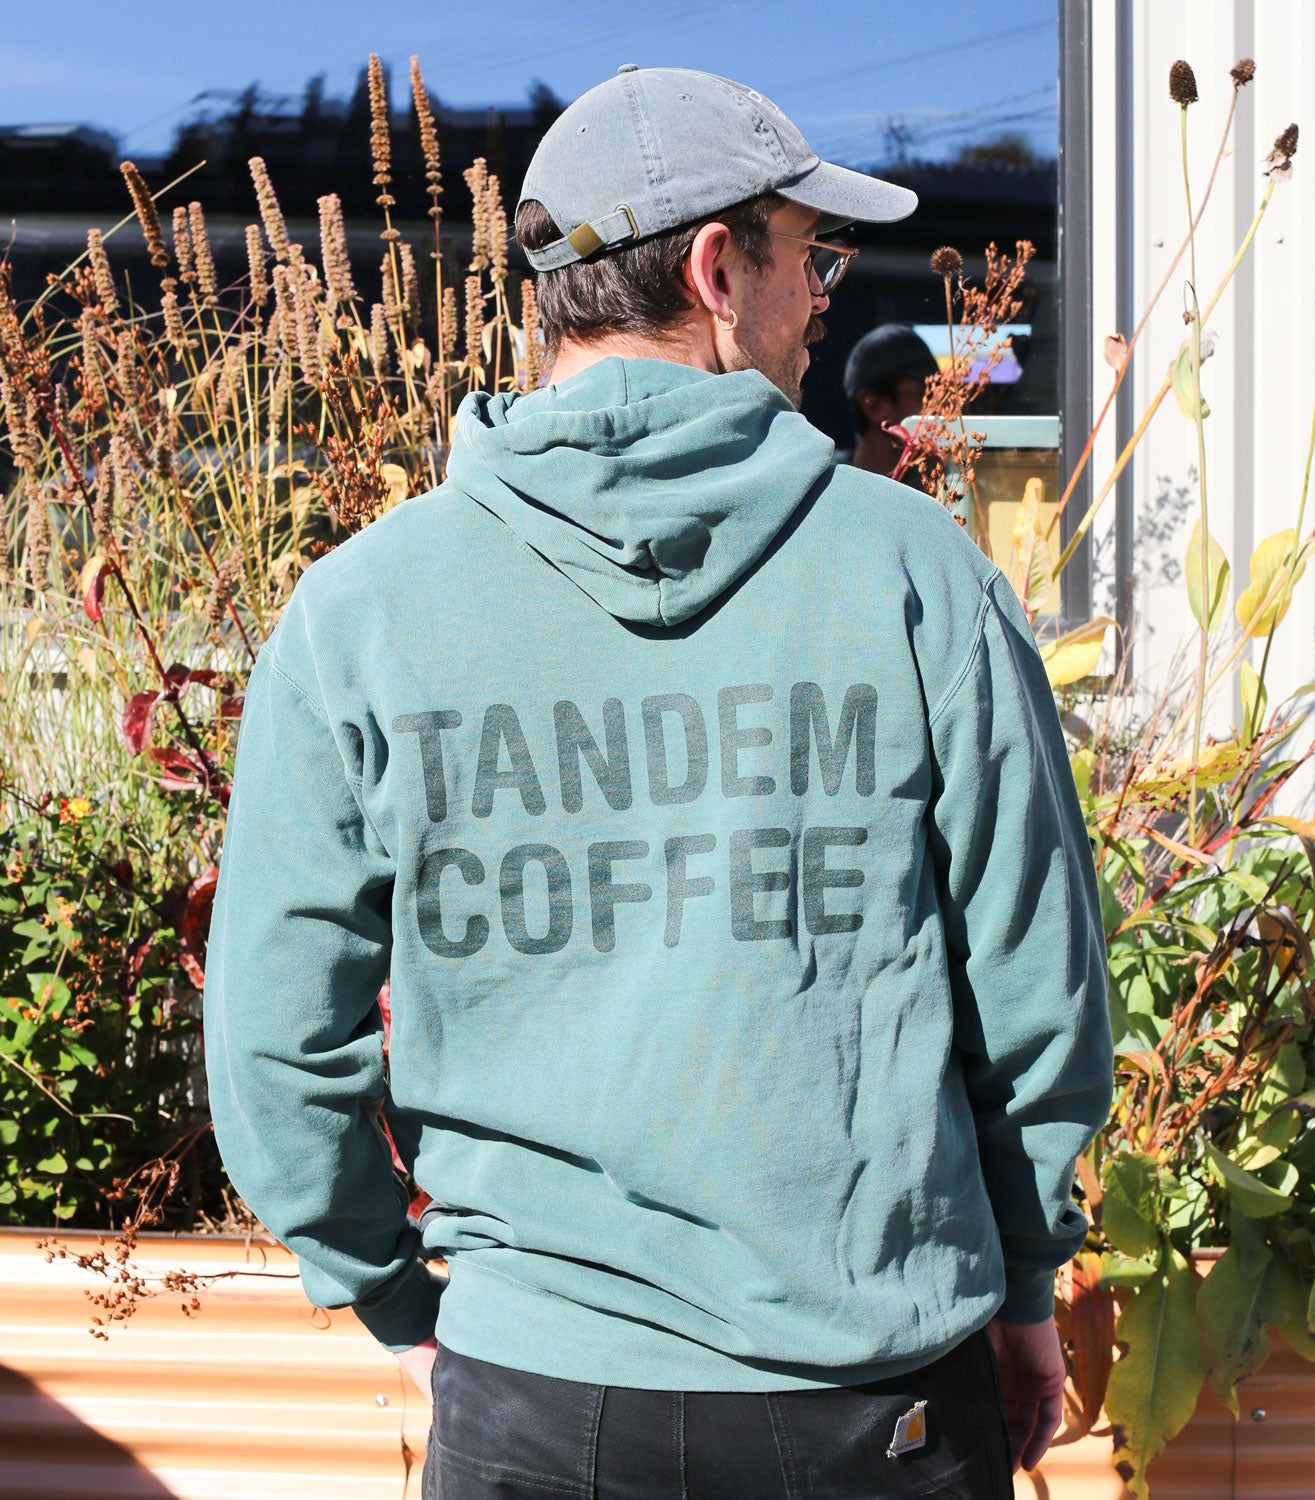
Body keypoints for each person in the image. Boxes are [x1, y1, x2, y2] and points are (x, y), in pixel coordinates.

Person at [204, 64, 1112, 1500]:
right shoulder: (917, 575)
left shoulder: (360, 608)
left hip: (535, 1397)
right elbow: (1032, 990)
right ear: (713, 268)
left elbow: (273, 1042)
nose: (826, 295)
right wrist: (1023, 1284)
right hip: (869, 1396)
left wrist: (394, 1301)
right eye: (809, 256)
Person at [842, 323, 940, 474]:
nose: (940, 411)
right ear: (873, 405)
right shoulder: (823, 488)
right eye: (924, 396)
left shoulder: (950, 486)